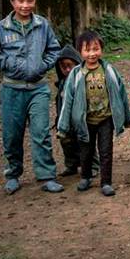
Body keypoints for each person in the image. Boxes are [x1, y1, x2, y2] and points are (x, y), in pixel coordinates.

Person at [0, 0, 64, 194]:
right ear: (12, 2)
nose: (25, 5)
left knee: (41, 133)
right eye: (21, 1)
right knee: (12, 135)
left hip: (38, 88)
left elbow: (54, 50)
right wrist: (6, 63)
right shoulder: (1, 28)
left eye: (30, 0)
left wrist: (43, 65)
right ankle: (13, 175)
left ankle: (46, 176)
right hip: (12, 90)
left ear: (35, 2)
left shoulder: (42, 25)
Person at [57, 31, 130, 196]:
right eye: (87, 50)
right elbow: (67, 100)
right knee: (86, 150)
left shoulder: (109, 70)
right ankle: (85, 177)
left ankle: (106, 182)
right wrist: (63, 126)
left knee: (106, 151)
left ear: (101, 50)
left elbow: (121, 94)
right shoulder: (76, 74)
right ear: (80, 52)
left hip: (106, 118)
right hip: (84, 121)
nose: (92, 53)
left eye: (95, 49)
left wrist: (126, 117)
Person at [54, 44, 83, 177]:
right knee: (66, 143)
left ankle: (91, 165)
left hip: (80, 119)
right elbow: (59, 102)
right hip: (65, 121)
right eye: (63, 66)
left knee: (83, 143)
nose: (66, 69)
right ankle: (71, 166)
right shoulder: (61, 83)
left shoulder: (81, 81)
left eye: (69, 65)